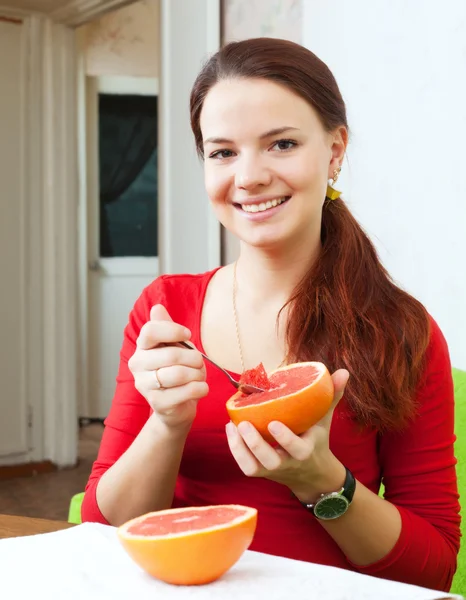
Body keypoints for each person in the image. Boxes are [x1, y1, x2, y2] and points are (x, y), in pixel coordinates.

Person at [81, 37, 461, 592]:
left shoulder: (403, 332)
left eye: (281, 144)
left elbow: (434, 568)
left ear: (335, 150)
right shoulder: (164, 313)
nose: (250, 176)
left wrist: (322, 482)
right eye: (222, 151)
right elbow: (101, 529)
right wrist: (167, 424)